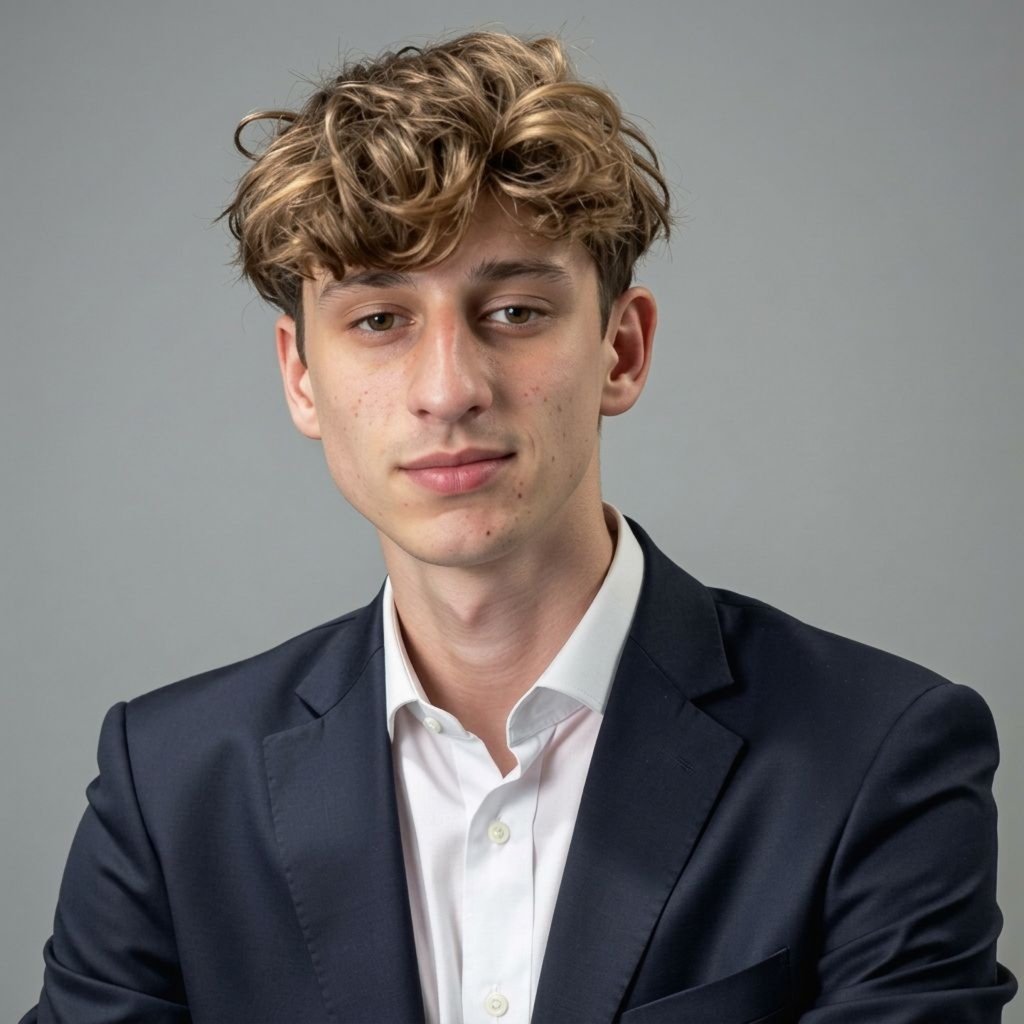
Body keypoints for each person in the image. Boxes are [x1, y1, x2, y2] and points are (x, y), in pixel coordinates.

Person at [23, 30, 1015, 1024]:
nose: (448, 388)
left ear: (621, 349)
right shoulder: (169, 784)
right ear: (300, 376)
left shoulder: (876, 756)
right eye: (379, 320)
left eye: (513, 312)